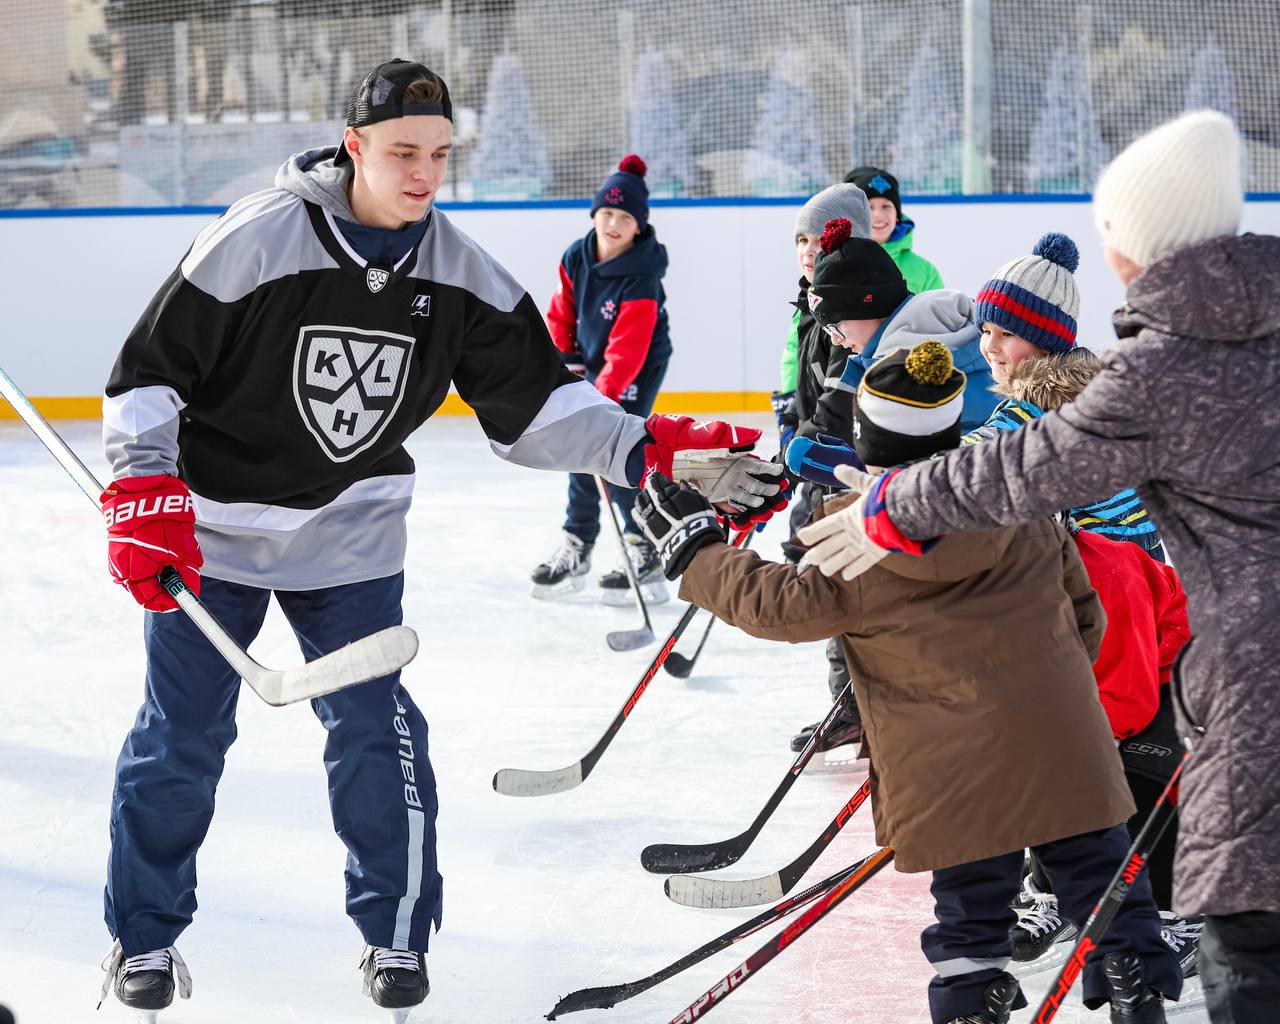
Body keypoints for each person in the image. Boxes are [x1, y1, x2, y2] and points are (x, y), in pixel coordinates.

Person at [94, 58, 784, 1022]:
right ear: (355, 148)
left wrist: (648, 452)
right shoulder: (257, 237)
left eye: (441, 155)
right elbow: (145, 377)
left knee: (378, 731)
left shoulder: (457, 269)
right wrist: (143, 489)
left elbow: (538, 409)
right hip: (214, 535)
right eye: (404, 152)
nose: (424, 172)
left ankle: (395, 934)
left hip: (352, 539)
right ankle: (145, 937)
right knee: (183, 737)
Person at [799, 110, 1280, 1024]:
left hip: (1190, 641)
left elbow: (1011, 472)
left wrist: (883, 505)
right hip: (1174, 624)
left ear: (1139, 247)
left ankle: (1109, 906)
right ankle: (1108, 902)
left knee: (1239, 927)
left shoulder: (1161, 369)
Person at [635, 340, 1182, 1024]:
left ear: (868, 443)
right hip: (1063, 742)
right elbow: (1086, 619)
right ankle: (1134, 979)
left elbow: (776, 604)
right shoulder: (1022, 502)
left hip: (951, 771)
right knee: (1100, 877)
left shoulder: (857, 548)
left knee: (971, 912)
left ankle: (972, 1004)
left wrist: (696, 552)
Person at [987, 354, 1201, 974]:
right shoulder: (1032, 556)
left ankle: (1176, 909)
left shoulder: (1108, 565)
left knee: (1127, 777)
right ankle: (1055, 887)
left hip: (1173, 704)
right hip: (1108, 693)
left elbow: (1129, 698)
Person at [962, 232, 1166, 561]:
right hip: (1143, 571)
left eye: (1007, 334)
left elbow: (969, 457)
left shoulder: (1037, 409)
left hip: (1101, 574)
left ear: (1046, 343)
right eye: (986, 330)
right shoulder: (1096, 395)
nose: (990, 346)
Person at [531, 154, 674, 603]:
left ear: (639, 226)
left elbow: (629, 348)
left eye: (624, 216)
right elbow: (560, 316)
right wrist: (567, 370)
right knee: (581, 445)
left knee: (619, 446)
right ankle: (579, 541)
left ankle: (642, 544)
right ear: (595, 214)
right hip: (592, 362)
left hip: (637, 366)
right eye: (606, 213)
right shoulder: (576, 255)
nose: (613, 223)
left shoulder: (642, 274)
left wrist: (599, 399)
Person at [845, 165, 944, 293]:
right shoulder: (838, 264)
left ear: (897, 215)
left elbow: (941, 311)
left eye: (886, 206)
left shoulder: (925, 272)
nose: (878, 215)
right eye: (869, 207)